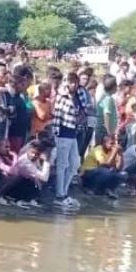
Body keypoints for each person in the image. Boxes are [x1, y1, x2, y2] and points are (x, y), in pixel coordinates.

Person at [52, 72, 89, 209]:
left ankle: (64, 192)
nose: (73, 84)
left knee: (75, 163)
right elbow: (57, 116)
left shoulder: (79, 96)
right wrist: (55, 134)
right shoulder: (61, 97)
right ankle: (59, 195)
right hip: (63, 132)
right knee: (62, 164)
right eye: (70, 81)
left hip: (74, 132)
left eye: (75, 82)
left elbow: (84, 111)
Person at [81, 133, 128, 197]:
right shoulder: (98, 150)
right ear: (104, 143)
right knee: (105, 171)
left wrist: (120, 154)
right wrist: (114, 152)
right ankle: (92, 189)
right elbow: (105, 165)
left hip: (102, 173)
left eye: (114, 144)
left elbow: (119, 168)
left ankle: (109, 189)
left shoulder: (111, 151)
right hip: (88, 174)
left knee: (123, 174)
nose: (113, 146)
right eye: (111, 143)